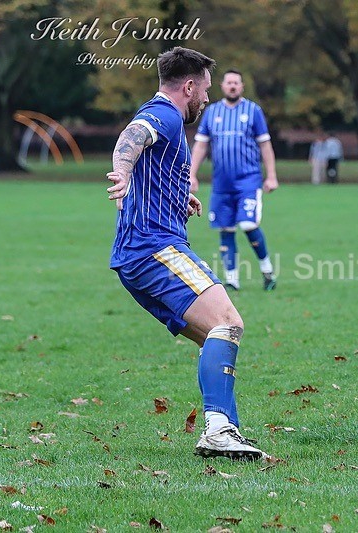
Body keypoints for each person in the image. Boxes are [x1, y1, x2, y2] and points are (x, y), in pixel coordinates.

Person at [107, 47, 266, 461]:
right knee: (228, 322)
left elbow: (154, 166)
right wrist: (121, 171)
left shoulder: (169, 119)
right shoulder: (165, 114)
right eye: (206, 90)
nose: (208, 99)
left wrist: (180, 198)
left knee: (214, 335)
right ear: (189, 86)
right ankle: (218, 430)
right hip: (153, 248)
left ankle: (224, 430)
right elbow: (132, 137)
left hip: (137, 254)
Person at [189, 69, 278, 292]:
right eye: (229, 83)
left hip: (248, 180)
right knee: (225, 228)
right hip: (221, 182)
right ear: (222, 86)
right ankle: (232, 279)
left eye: (236, 83)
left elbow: (265, 145)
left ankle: (267, 271)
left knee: (248, 224)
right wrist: (191, 174)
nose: (232, 86)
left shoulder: (253, 111)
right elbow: (201, 145)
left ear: (242, 87)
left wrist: (272, 176)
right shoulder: (212, 113)